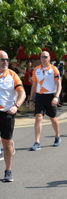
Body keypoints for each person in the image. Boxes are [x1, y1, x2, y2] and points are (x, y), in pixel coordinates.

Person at [0, 50, 26, 182]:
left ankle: (8, 171)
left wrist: (16, 106)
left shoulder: (12, 75)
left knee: (6, 144)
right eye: (2, 59)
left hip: (6, 113)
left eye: (7, 60)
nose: (5, 62)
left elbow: (22, 93)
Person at [29, 51, 62, 151]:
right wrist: (31, 99)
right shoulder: (36, 70)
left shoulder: (54, 69)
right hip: (39, 96)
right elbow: (34, 85)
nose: (43, 59)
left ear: (49, 58)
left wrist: (56, 97)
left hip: (51, 96)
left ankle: (57, 136)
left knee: (53, 118)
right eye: (42, 57)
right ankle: (37, 142)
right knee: (38, 117)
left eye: (45, 57)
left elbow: (59, 85)